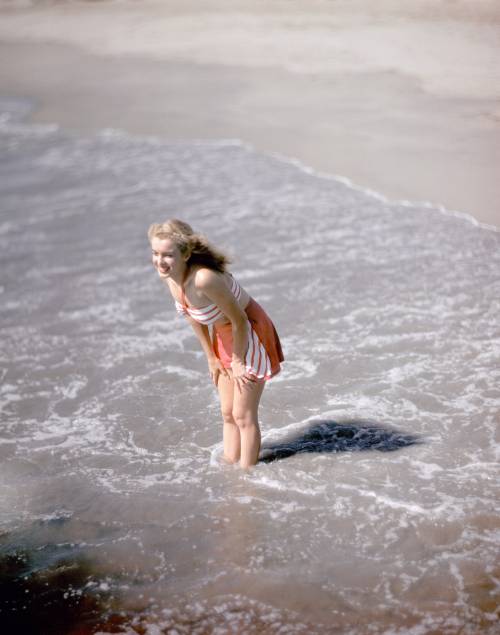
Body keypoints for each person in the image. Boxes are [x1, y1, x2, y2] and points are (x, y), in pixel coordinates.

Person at [148, 219, 284, 469]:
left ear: (186, 253)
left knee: (243, 415)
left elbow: (241, 320)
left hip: (249, 332)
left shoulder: (204, 280)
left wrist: (238, 361)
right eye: (156, 253)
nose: (160, 261)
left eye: (168, 255)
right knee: (227, 412)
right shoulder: (172, 279)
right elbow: (191, 315)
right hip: (221, 335)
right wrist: (211, 356)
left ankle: (247, 478)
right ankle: (228, 467)